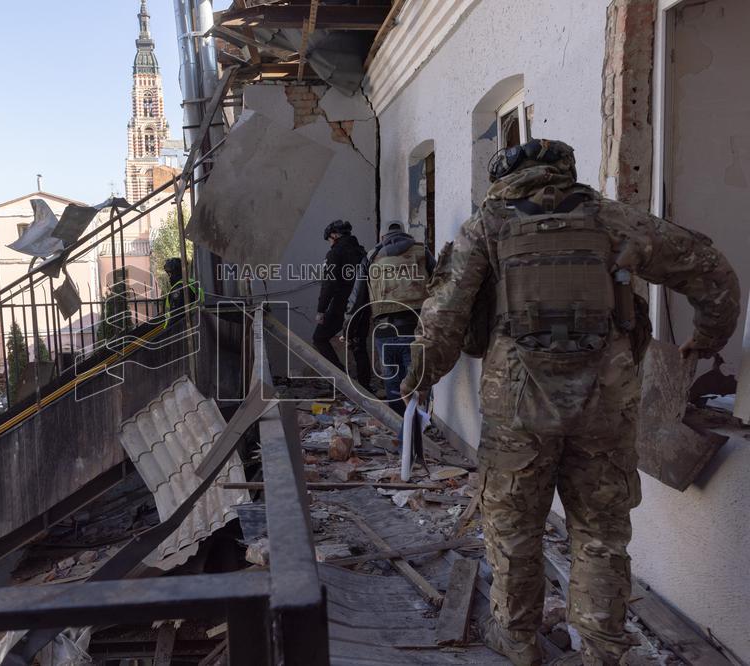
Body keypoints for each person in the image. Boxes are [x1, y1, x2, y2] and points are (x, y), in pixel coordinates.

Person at [399, 139, 740, 666]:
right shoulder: (612, 219)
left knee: (514, 531)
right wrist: (708, 339)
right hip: (606, 408)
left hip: (517, 411)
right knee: (601, 534)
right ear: (565, 170)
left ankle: (516, 642)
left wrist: (416, 382)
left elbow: (442, 317)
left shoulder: (486, 226)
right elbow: (709, 268)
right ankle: (603, 652)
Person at [344, 221, 434, 413]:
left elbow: (357, 298)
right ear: (404, 234)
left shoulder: (371, 257)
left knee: (393, 384)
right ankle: (416, 432)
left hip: (385, 332)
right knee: (416, 382)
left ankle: (399, 426)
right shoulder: (422, 252)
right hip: (417, 328)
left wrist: (347, 329)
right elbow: (440, 287)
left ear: (382, 238)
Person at [313, 220, 369, 386]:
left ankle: (343, 379)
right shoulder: (363, 252)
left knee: (319, 338)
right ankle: (364, 388)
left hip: (342, 306)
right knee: (359, 344)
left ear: (335, 235)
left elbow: (329, 284)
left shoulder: (335, 253)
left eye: (329, 239)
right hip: (363, 305)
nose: (329, 243)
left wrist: (321, 310)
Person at [162, 257, 202, 324]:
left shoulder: (179, 289)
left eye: (169, 274)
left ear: (174, 273)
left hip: (183, 330)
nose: (169, 278)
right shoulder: (192, 284)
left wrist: (167, 332)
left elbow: (175, 317)